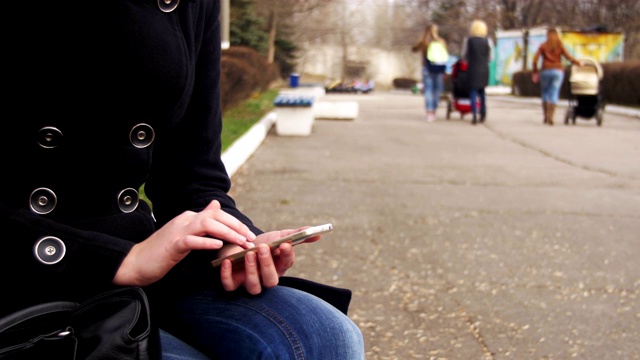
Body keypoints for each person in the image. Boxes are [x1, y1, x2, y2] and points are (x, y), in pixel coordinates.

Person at [1, 1, 365, 360]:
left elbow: (192, 174)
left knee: (325, 336)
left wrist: (233, 242)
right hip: (24, 268)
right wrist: (120, 260)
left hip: (144, 269)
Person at [532, 27, 583, 126]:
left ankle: (546, 116)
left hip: (545, 71)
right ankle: (551, 117)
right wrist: (578, 63)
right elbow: (568, 57)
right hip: (558, 72)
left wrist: (535, 70)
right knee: (554, 93)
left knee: (545, 93)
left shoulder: (543, 46)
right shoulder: (560, 46)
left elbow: (535, 60)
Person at [412, 24, 449, 122]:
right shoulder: (441, 42)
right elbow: (445, 54)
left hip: (427, 69)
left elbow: (414, 49)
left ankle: (429, 112)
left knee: (428, 90)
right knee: (437, 90)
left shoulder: (424, 42)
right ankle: (434, 111)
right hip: (439, 68)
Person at [461, 19, 494, 125]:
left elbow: (464, 56)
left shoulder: (468, 40)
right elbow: (491, 57)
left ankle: (474, 113)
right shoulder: (488, 41)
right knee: (482, 91)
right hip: (484, 68)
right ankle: (483, 112)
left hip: (472, 68)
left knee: (473, 92)